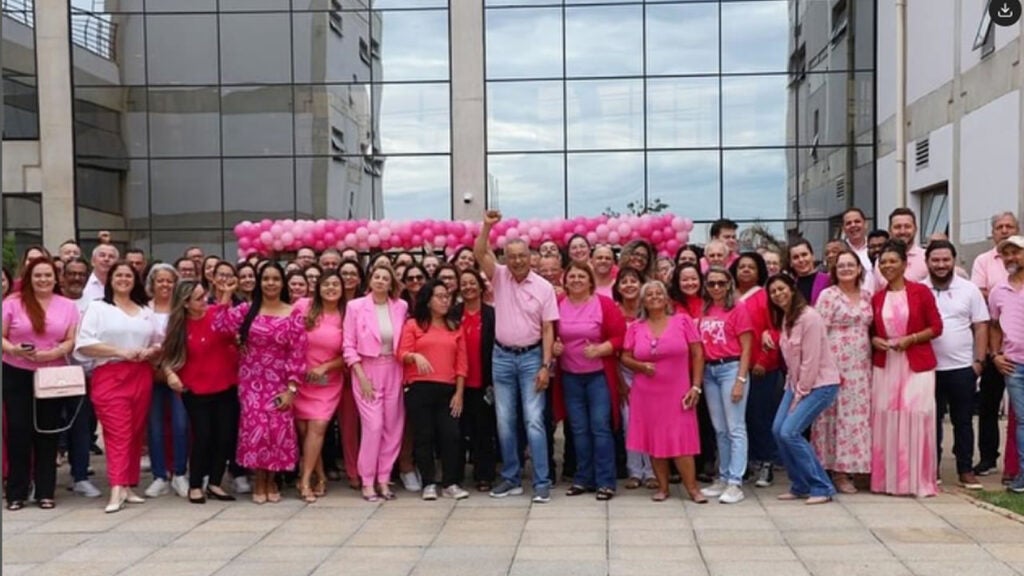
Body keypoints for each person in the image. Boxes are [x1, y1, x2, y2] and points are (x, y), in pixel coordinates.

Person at [474, 210, 558, 503]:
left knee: (534, 420)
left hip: (532, 357)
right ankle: (511, 478)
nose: (518, 261)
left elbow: (548, 329)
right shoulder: (499, 277)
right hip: (502, 357)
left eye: (522, 255)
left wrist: (546, 366)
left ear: (531, 257)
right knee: (504, 421)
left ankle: (542, 481)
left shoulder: (544, 288)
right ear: (506, 259)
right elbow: (479, 252)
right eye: (512, 256)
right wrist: (487, 226)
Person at [214, 261, 308, 504]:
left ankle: (271, 480)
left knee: (276, 431)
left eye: (275, 279)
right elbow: (220, 327)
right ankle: (258, 480)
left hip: (280, 381)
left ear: (283, 283)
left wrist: (292, 389)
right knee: (256, 430)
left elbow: (298, 353)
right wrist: (225, 295)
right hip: (252, 380)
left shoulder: (293, 313)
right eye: (266, 279)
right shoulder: (247, 310)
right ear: (259, 282)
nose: (270, 283)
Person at [75, 261, 162, 513]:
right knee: (118, 432)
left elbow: (158, 342)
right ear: (110, 280)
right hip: (110, 375)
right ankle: (116, 486)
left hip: (140, 374)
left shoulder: (145, 310)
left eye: (128, 275)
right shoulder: (98, 308)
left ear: (135, 280)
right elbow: (84, 344)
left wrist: (151, 351)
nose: (123, 279)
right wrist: (120, 351)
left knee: (134, 432)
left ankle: (128, 485)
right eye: (118, 275)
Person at [2, 258, 79, 510]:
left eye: (47, 275)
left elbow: (71, 340)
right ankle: (17, 492)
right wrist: (14, 350)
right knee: (18, 431)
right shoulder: (12, 303)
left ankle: (45, 491)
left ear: (56, 278)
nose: (43, 280)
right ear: (29, 278)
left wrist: (54, 353)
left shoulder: (67, 306)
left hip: (51, 374)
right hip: (17, 372)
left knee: (47, 432)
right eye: (37, 275)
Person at [620, 280, 706, 503]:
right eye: (649, 294)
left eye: (659, 293)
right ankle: (663, 487)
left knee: (681, 441)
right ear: (643, 301)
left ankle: (693, 489)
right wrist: (641, 366)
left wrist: (696, 386)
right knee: (654, 440)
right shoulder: (636, 327)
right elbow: (625, 357)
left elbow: (698, 353)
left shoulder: (682, 321)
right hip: (646, 393)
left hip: (678, 392)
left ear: (667, 298)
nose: (655, 297)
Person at [870, 240, 943, 497]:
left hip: (916, 363)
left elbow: (936, 327)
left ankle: (917, 481)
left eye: (892, 261)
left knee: (916, 416)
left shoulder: (921, 292)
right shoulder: (877, 297)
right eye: (883, 262)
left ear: (904, 264)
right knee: (887, 417)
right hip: (886, 364)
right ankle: (887, 480)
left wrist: (911, 339)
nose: (887, 266)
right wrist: (874, 340)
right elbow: (871, 331)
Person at [159, 280, 239, 503]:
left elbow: (230, 331)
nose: (204, 301)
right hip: (195, 388)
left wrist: (225, 298)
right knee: (203, 436)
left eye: (204, 295)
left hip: (225, 383)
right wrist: (170, 374)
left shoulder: (215, 314)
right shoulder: (178, 325)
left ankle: (215, 482)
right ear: (185, 303)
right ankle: (195, 483)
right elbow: (167, 355)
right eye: (198, 298)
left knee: (224, 436)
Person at [766, 274, 840, 504]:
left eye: (781, 289)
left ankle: (822, 486)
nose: (778, 294)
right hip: (795, 383)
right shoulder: (786, 318)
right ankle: (800, 484)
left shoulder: (810, 317)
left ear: (792, 289)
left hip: (819, 384)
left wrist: (799, 395)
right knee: (777, 430)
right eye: (773, 291)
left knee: (790, 431)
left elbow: (811, 361)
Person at [555, 262, 626, 500]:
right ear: (565, 281)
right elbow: (548, 332)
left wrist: (602, 349)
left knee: (600, 426)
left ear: (590, 281)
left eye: (581, 276)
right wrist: (554, 347)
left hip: (598, 376)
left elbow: (620, 336)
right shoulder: (558, 303)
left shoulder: (604, 304)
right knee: (578, 429)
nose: (576, 280)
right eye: (572, 276)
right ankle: (583, 478)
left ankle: (605, 481)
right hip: (570, 376)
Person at [924, 240, 988, 490]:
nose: (940, 265)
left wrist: (979, 362)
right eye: (935, 260)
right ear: (927, 262)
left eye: (945, 260)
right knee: (931, 422)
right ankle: (932, 469)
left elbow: (980, 325)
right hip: (929, 369)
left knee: (963, 421)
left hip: (962, 368)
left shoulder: (968, 289)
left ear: (953, 261)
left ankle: (965, 469)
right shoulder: (919, 289)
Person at [398, 280, 470, 501]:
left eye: (447, 296)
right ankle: (428, 482)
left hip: (448, 388)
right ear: (428, 301)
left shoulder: (454, 326)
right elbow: (401, 353)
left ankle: (450, 482)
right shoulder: (413, 325)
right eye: (439, 296)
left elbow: (462, 363)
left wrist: (459, 393)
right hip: (419, 387)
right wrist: (414, 356)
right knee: (424, 435)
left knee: (451, 435)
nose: (445, 300)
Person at [342, 263, 408, 502]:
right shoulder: (355, 306)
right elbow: (348, 344)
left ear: (391, 284)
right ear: (369, 281)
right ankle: (367, 480)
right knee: (373, 427)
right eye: (376, 277)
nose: (380, 281)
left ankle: (384, 478)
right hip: (366, 369)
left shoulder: (401, 306)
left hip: (394, 368)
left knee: (393, 427)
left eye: (385, 278)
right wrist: (360, 375)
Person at [810, 250, 873, 494]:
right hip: (835, 364)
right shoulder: (828, 295)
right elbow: (818, 332)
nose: (846, 269)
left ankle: (858, 466)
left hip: (862, 367)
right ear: (834, 271)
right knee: (836, 416)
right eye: (841, 266)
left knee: (858, 418)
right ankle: (838, 471)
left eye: (850, 265)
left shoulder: (867, 295)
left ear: (859, 269)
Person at [698, 266, 753, 504]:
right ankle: (723, 476)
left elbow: (747, 347)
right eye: (712, 283)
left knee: (735, 427)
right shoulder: (705, 309)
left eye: (721, 283)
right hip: (710, 371)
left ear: (729, 284)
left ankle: (735, 481)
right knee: (719, 428)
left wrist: (740, 379)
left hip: (731, 368)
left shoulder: (738, 308)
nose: (716, 287)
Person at [971, 212, 1020, 480]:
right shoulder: (983, 260)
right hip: (995, 345)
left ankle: (1016, 464)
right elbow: (978, 293)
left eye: (1008, 226)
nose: (1003, 230)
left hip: (1019, 349)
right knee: (989, 405)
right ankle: (988, 457)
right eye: (999, 227)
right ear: (992, 232)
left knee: (1018, 412)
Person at [292, 270, 346, 503]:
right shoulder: (302, 306)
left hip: (327, 382)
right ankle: (320, 476)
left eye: (335, 284)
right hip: (301, 380)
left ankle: (304, 481)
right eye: (326, 284)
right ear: (318, 287)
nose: (331, 288)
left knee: (319, 426)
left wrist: (326, 367)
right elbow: (287, 336)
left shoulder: (347, 314)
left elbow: (351, 352)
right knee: (306, 433)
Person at [730, 252, 782, 488]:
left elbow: (774, 331)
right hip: (734, 367)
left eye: (751, 267)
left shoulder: (764, 296)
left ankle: (766, 462)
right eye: (742, 266)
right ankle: (746, 463)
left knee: (761, 416)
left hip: (761, 368)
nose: (746, 270)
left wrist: (764, 360)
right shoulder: (728, 296)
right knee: (742, 419)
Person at [143, 263, 189, 499]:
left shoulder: (181, 310)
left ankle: (180, 473)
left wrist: (170, 367)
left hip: (179, 374)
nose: (165, 285)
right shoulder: (144, 310)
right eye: (160, 280)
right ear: (152, 283)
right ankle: (159, 475)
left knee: (181, 424)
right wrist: (158, 365)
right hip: (151, 373)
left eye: (169, 281)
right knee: (155, 426)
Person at [58, 257, 102, 498]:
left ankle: (80, 476)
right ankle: (40, 478)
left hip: (84, 375)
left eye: (81, 274)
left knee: (81, 426)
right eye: (72, 274)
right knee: (49, 427)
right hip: (53, 372)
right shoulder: (54, 301)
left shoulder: (95, 305)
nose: (76, 278)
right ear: (62, 277)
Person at [987, 234, 1024, 493]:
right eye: (1006, 254)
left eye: (1016, 253)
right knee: (1023, 421)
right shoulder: (998, 291)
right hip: (1014, 365)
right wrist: (995, 355)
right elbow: (994, 326)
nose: (1011, 258)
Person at [455, 268, 498, 492]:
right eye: (464, 283)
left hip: (484, 381)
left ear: (481, 287)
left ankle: (484, 475)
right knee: (457, 431)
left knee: (483, 430)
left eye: (472, 283)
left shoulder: (492, 315)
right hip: (457, 384)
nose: (468, 287)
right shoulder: (453, 314)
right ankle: (456, 474)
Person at [612, 267, 654, 488]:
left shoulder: (650, 309)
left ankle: (652, 471)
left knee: (651, 423)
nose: (629, 285)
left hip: (649, 373)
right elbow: (613, 352)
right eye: (624, 281)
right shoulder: (614, 312)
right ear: (618, 287)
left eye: (633, 281)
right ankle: (635, 471)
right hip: (624, 373)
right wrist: (620, 382)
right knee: (630, 423)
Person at [336, 259, 366, 489]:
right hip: (339, 370)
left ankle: (369, 468)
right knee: (348, 425)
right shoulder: (331, 303)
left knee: (369, 424)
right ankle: (353, 470)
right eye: (344, 273)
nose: (348, 277)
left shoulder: (366, 303)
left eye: (352, 273)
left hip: (365, 369)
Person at [874, 208, 928, 289]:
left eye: (907, 226)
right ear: (889, 230)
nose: (902, 231)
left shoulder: (926, 257)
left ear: (915, 229)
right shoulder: (881, 261)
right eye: (897, 227)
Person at [788, 240, 830, 305]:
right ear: (791, 263)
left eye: (804, 255)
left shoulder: (828, 280)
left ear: (813, 256)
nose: (801, 260)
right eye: (795, 257)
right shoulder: (791, 287)